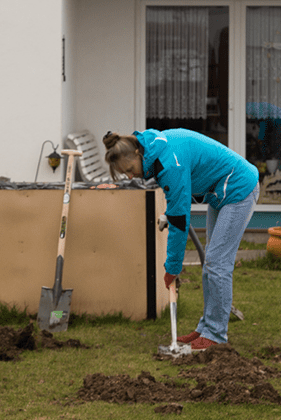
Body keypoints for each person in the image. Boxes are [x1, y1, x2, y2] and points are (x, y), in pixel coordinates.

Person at [103, 128, 259, 351]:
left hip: (239, 188)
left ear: (138, 152)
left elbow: (179, 220)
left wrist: (173, 267)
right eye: (124, 173)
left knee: (217, 263)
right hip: (221, 193)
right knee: (211, 263)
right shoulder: (156, 149)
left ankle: (215, 335)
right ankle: (206, 328)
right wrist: (173, 213)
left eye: (129, 169)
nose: (130, 176)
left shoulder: (168, 164)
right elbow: (179, 203)